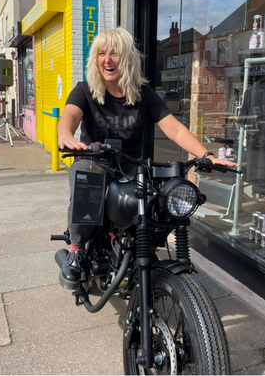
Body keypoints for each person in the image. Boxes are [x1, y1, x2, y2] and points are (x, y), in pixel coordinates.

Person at [57, 28, 237, 287]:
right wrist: (66, 136)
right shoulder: (85, 90)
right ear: (95, 60)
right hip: (95, 161)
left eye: (115, 53)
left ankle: (145, 248)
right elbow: (69, 118)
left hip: (131, 167)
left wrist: (206, 155)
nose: (107, 59)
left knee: (163, 199)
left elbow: (173, 128)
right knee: (88, 180)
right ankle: (77, 249)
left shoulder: (143, 93)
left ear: (128, 58)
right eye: (101, 53)